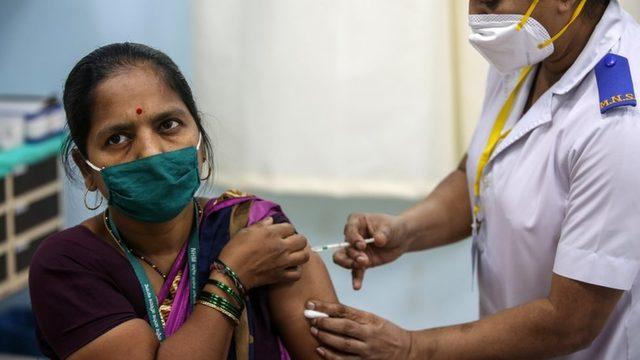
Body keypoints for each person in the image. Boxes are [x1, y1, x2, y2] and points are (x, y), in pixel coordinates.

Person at [306, 0, 640, 359]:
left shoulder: (618, 123)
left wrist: (411, 349)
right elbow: (482, 173)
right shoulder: (531, 46)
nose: (475, 15)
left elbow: (571, 322)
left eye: (491, 0)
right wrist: (404, 230)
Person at [29, 42, 337, 360]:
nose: (150, 151)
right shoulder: (65, 265)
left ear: (200, 143)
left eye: (168, 125)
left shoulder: (254, 229)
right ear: (87, 169)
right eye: (118, 138)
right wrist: (231, 277)